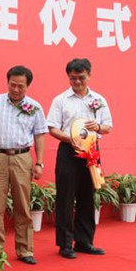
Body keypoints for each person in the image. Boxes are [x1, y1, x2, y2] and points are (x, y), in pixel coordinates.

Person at [0, 66, 47, 265]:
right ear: (7, 82)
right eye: (12, 85)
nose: (16, 89)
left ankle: (25, 249)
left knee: (22, 204)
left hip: (22, 157)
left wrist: (39, 162)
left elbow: (40, 136)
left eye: (20, 86)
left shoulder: (35, 107)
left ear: (28, 86)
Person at [46, 58, 113, 259]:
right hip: (69, 150)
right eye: (73, 78)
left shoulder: (99, 100)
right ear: (68, 77)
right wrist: (72, 139)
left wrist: (98, 127)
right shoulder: (60, 100)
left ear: (89, 76)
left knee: (88, 195)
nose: (77, 82)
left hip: (92, 151)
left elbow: (108, 127)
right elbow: (52, 128)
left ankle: (84, 241)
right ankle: (65, 244)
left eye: (81, 78)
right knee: (65, 197)